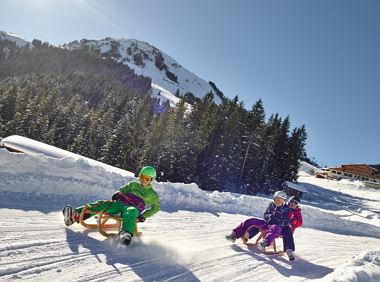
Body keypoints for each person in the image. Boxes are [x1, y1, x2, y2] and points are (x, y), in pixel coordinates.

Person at [62, 166, 160, 246]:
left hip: (131, 208)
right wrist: (117, 194)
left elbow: (156, 208)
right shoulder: (133, 185)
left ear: (151, 180)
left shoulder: (152, 195)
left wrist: (144, 216)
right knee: (102, 204)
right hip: (119, 204)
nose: (143, 180)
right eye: (142, 177)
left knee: (131, 211)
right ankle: (75, 216)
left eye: (147, 179)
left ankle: (125, 234)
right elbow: (122, 190)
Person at [225, 191, 294, 259]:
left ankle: (264, 243)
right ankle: (234, 235)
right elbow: (265, 214)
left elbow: (287, 221)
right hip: (266, 223)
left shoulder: (287, 209)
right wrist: (269, 216)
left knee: (275, 228)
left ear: (284, 201)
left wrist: (276, 220)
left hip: (277, 226)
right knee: (251, 220)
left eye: (280, 200)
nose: (277, 202)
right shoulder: (272, 205)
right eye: (276, 199)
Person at [281, 196, 303, 260]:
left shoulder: (297, 212)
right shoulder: (284, 207)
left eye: (295, 203)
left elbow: (300, 223)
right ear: (289, 201)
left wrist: (294, 221)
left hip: (288, 230)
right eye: (291, 201)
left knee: (288, 231)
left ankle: (289, 251)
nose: (292, 204)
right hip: (279, 227)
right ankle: (266, 241)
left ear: (297, 205)